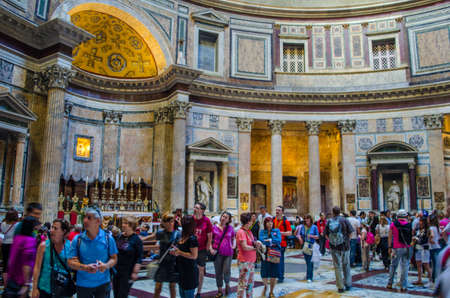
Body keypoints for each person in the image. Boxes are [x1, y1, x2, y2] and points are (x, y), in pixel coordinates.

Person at [68, 207, 118, 298]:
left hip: (103, 283)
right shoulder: (78, 239)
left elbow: (114, 258)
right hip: (83, 284)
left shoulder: (108, 238)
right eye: (85, 217)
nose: (85, 220)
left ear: (98, 221)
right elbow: (70, 262)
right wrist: (85, 267)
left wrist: (106, 265)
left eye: (89, 218)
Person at [31, 219, 71, 298]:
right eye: (52, 227)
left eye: (55, 228)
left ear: (63, 231)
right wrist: (34, 288)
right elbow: (37, 268)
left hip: (62, 289)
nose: (52, 230)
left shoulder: (70, 246)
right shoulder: (43, 246)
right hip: (45, 288)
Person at [3, 216, 41, 298]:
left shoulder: (16, 238)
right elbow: (26, 264)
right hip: (20, 282)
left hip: (11, 279)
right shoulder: (30, 241)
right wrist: (26, 284)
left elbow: (10, 260)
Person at [325, 206, 353, 293]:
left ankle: (340, 287)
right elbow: (351, 232)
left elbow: (325, 234)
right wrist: (347, 240)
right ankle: (348, 284)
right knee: (346, 265)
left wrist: (331, 240)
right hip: (345, 246)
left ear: (333, 212)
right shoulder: (345, 220)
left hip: (334, 246)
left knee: (337, 266)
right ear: (340, 211)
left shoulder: (329, 221)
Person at [113, 216, 143, 298]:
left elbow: (139, 257)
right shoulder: (120, 237)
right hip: (117, 270)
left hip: (128, 272)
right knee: (116, 293)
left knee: (122, 295)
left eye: (125, 223)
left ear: (131, 226)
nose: (123, 225)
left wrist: (135, 272)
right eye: (123, 223)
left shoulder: (136, 240)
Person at [171, 215, 199, 298]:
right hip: (181, 270)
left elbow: (194, 255)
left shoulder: (192, 238)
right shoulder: (182, 236)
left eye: (181, 222)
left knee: (188, 294)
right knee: (182, 294)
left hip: (189, 272)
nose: (179, 223)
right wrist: (175, 250)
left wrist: (179, 252)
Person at [154, 213, 181, 298]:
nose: (170, 223)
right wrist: (141, 238)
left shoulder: (178, 234)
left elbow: (182, 245)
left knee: (172, 287)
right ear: (164, 223)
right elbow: (151, 237)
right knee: (158, 286)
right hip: (162, 262)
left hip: (173, 263)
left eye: (172, 221)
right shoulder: (160, 233)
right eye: (168, 221)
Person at [211, 211, 235, 297]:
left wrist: (233, 245)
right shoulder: (214, 228)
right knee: (218, 271)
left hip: (228, 252)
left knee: (226, 270)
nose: (223, 218)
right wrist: (210, 248)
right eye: (223, 216)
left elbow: (233, 238)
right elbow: (209, 239)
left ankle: (227, 284)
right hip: (217, 253)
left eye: (226, 217)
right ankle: (220, 290)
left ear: (228, 220)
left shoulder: (230, 228)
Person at [236, 212, 261, 298]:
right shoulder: (241, 232)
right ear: (248, 221)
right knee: (242, 284)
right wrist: (255, 248)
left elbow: (250, 242)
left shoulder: (248, 231)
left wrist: (256, 243)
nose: (252, 221)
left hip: (251, 261)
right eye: (251, 220)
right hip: (244, 261)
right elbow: (244, 247)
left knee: (250, 284)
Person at [386, 209, 411, 292]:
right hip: (407, 247)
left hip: (396, 248)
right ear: (405, 216)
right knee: (405, 267)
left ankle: (390, 283)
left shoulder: (393, 224)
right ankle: (403, 285)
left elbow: (390, 237)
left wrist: (389, 247)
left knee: (393, 266)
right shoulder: (409, 224)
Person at [193, 202, 212, 298]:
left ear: (202, 210)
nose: (194, 209)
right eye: (194, 207)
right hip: (191, 248)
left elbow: (209, 236)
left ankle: (199, 292)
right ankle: (191, 288)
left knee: (201, 270)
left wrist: (207, 248)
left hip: (201, 249)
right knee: (191, 269)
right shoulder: (191, 219)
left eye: (197, 208)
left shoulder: (206, 221)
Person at [259, 217, 281, 298]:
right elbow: (261, 240)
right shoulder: (262, 232)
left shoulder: (276, 231)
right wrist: (271, 241)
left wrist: (269, 240)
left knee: (273, 273)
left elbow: (279, 240)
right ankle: (265, 286)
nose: (270, 224)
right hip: (264, 254)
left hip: (274, 254)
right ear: (265, 223)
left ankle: (271, 291)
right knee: (264, 272)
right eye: (268, 222)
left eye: (271, 222)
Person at [272, 205, 292, 283]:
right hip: (273, 243)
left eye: (279, 210)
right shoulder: (273, 220)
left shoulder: (285, 221)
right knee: (273, 260)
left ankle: (280, 277)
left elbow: (290, 233)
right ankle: (275, 275)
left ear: (282, 212)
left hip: (282, 244)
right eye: (276, 210)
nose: (277, 212)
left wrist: (280, 233)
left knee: (280, 261)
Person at [412, 217, 433, 287]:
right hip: (418, 248)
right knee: (418, 264)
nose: (420, 223)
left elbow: (425, 240)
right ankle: (419, 279)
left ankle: (431, 281)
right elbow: (416, 236)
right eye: (419, 221)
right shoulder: (418, 229)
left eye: (421, 221)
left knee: (426, 265)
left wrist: (416, 239)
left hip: (424, 248)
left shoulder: (427, 230)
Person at [1, 209, 18, 285]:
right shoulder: (16, 225)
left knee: (5, 264)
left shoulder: (2, 224)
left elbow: (2, 233)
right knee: (12, 264)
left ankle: (5, 284)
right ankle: (11, 282)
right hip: (13, 245)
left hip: (4, 244)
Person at [299, 215, 319, 282]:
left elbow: (317, 236)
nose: (306, 220)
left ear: (311, 219)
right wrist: (300, 238)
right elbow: (300, 234)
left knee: (310, 261)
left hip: (311, 245)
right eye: (305, 219)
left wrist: (311, 236)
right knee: (307, 261)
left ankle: (309, 277)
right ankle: (309, 274)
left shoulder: (314, 227)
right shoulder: (303, 227)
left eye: (308, 218)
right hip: (305, 245)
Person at [429, 214, 441, 286]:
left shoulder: (431, 228)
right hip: (438, 246)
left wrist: (430, 239)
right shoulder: (438, 228)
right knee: (437, 264)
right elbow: (441, 236)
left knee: (434, 264)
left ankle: (433, 280)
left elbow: (432, 235)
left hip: (432, 247)